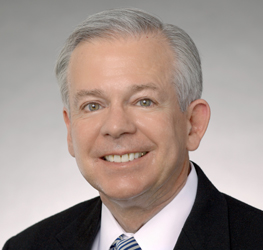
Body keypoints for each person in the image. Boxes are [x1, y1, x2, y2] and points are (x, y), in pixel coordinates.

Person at [3, 8, 263, 250]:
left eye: (144, 101)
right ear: (70, 131)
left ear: (193, 123)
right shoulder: (26, 246)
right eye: (93, 106)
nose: (116, 127)